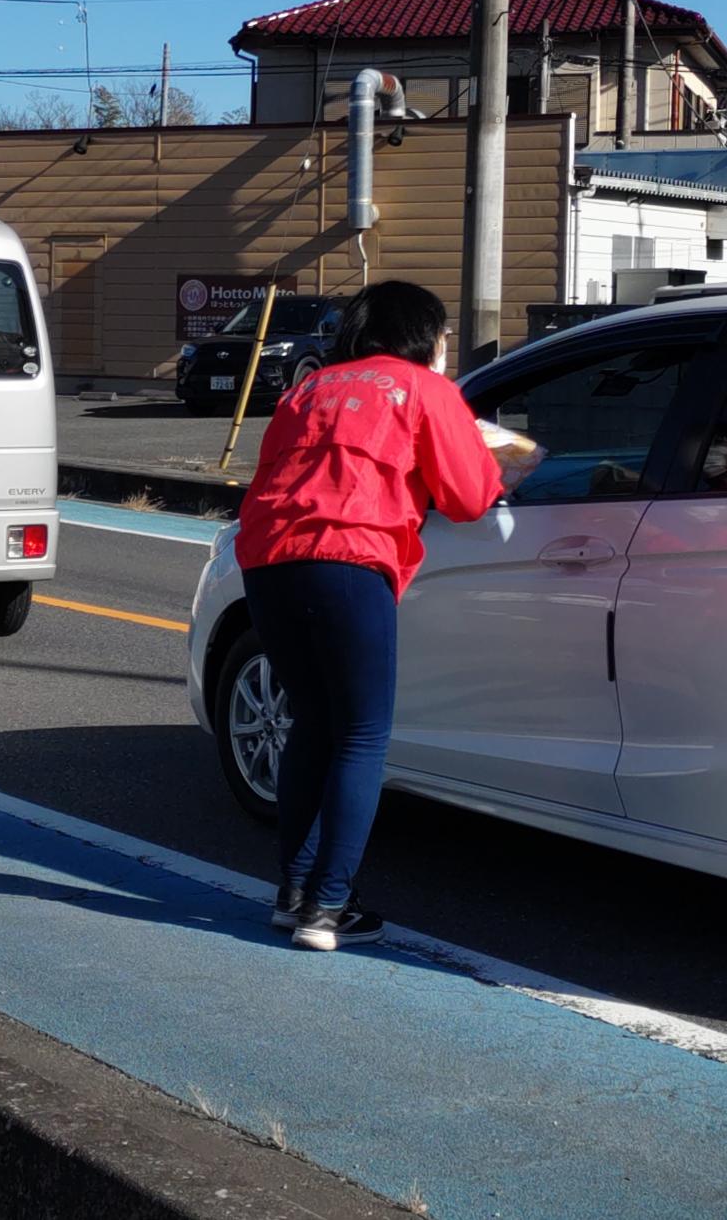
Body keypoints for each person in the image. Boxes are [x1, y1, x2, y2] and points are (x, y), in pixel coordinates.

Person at [234, 281, 503, 952]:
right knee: (361, 736)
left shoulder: (307, 390)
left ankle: (294, 892)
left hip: (268, 563)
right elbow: (470, 499)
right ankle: (328, 908)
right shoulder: (424, 389)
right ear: (428, 336)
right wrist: (505, 469)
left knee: (313, 724)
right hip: (351, 563)